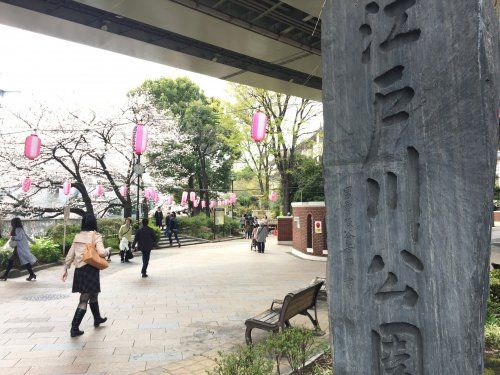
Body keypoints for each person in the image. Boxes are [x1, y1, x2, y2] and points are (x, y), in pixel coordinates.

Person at [62, 214, 109, 337]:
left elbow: (70, 254)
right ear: (94, 223)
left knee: (93, 293)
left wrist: (66, 268)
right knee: (84, 299)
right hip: (91, 269)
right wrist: (108, 251)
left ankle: (97, 318)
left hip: (79, 270)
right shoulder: (96, 236)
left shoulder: (78, 236)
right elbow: (102, 252)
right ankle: (74, 328)